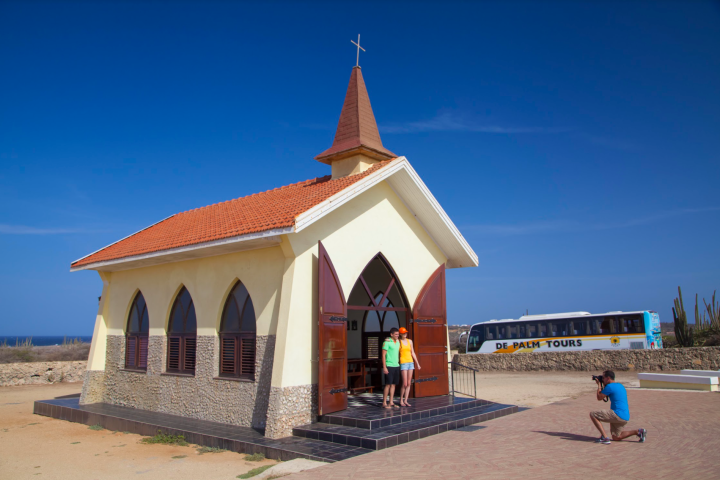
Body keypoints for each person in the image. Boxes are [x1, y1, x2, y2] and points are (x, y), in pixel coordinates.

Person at [590, 370, 647, 444]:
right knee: (616, 437)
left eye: (603, 378)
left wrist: (599, 385)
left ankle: (605, 437)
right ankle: (638, 432)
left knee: (593, 414)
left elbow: (599, 397)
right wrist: (603, 384)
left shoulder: (610, 387)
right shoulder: (620, 385)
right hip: (625, 416)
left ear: (608, 378)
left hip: (617, 414)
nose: (602, 379)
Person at [398, 327, 421, 407]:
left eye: (406, 333)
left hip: (410, 362)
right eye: (403, 333)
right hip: (403, 362)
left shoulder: (410, 341)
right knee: (404, 383)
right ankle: (401, 399)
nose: (405, 334)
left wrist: (417, 363)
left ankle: (406, 400)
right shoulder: (399, 341)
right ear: (400, 334)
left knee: (408, 383)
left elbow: (413, 352)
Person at [381, 328, 401, 409]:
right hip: (389, 366)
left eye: (398, 334)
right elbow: (383, 355)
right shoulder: (386, 342)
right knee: (388, 384)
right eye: (395, 334)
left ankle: (391, 402)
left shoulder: (398, 342)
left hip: (396, 366)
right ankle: (384, 402)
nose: (397, 336)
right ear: (391, 334)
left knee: (393, 385)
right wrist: (384, 367)